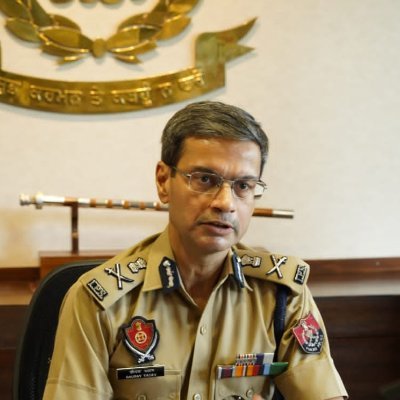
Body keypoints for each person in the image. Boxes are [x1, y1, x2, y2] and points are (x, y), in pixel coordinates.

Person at [43, 101, 348, 400]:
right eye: (205, 179)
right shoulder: (98, 302)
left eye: (243, 185)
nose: (225, 203)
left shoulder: (283, 296)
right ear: (163, 181)